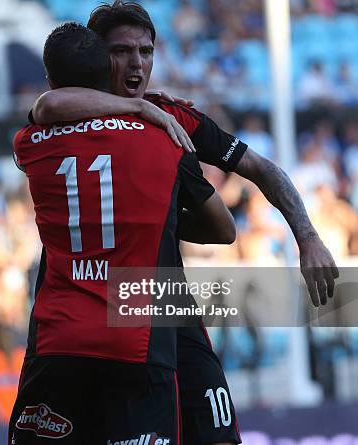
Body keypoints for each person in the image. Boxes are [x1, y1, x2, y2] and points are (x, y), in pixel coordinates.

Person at [29, 2, 339, 444]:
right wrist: (144, 114)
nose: (137, 64)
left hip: (160, 302)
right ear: (98, 57)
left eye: (146, 51)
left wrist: (308, 237)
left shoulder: (168, 120)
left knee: (216, 431)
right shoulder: (137, 124)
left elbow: (262, 169)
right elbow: (51, 103)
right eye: (122, 52)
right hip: (104, 308)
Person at [9, 22, 235, 444]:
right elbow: (224, 229)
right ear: (106, 69)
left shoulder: (31, 143)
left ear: (50, 78)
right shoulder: (163, 138)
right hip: (139, 336)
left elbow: (47, 107)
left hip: (60, 335)